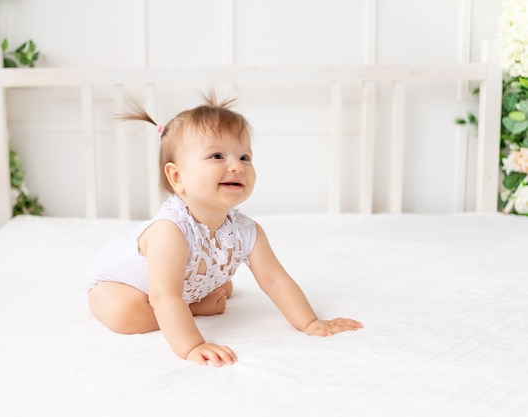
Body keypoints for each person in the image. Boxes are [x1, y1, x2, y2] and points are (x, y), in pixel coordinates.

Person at [86, 91, 362, 367]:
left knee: (224, 286)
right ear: (177, 177)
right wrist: (193, 346)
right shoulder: (170, 231)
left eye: (244, 157)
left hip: (177, 284)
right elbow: (164, 295)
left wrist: (310, 322)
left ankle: (192, 303)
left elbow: (276, 280)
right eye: (217, 156)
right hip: (123, 285)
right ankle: (193, 308)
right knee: (125, 314)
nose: (237, 166)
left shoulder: (247, 231)